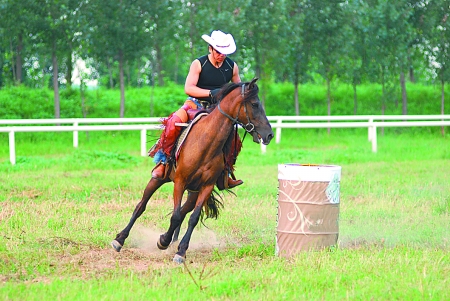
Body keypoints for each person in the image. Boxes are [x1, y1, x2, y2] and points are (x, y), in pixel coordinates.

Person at [149, 30, 243, 188]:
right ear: (210, 49)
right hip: (195, 104)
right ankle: (163, 163)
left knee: (235, 140)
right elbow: (189, 88)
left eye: (224, 52)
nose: (222, 55)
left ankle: (225, 173)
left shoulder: (232, 67)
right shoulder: (199, 63)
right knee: (173, 123)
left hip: (217, 110)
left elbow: (237, 90)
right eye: (219, 51)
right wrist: (210, 93)